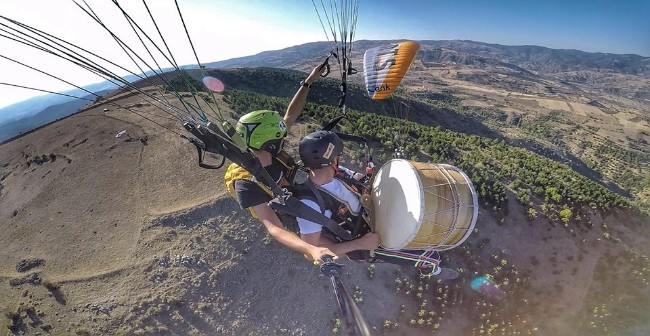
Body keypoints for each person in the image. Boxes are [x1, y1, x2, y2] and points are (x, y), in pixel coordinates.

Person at [225, 61, 339, 263]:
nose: (284, 139)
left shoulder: (266, 147)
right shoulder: (246, 183)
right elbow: (273, 227)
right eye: (280, 137)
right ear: (269, 143)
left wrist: (309, 81)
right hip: (290, 214)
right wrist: (310, 250)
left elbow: (290, 113)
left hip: (297, 191)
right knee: (329, 237)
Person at [294, 130, 448, 276]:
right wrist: (360, 244)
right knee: (431, 257)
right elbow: (310, 250)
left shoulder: (338, 172)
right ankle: (431, 270)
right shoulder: (311, 203)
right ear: (333, 160)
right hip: (365, 244)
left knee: (421, 231)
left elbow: (360, 179)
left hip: (372, 217)